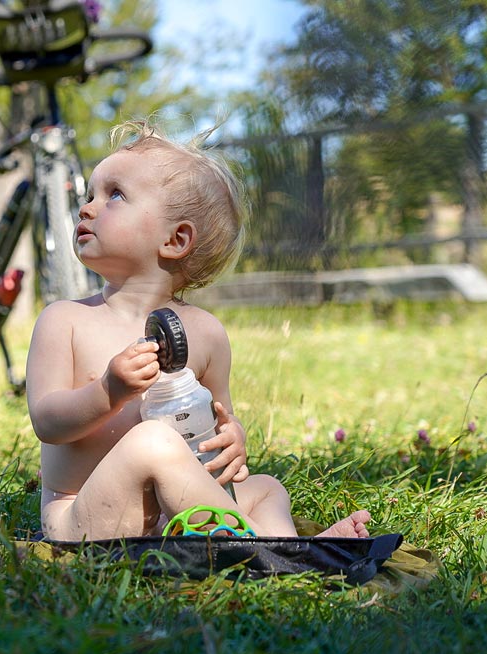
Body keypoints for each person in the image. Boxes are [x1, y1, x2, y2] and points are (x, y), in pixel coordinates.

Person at [26, 119, 371, 542]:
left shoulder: (205, 333)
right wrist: (108, 391)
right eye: (89, 194)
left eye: (114, 195)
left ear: (175, 240)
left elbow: (217, 420)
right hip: (84, 517)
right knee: (152, 440)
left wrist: (233, 439)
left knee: (264, 488)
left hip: (170, 512)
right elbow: (47, 421)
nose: (87, 207)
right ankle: (278, 552)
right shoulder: (64, 320)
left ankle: (277, 545)